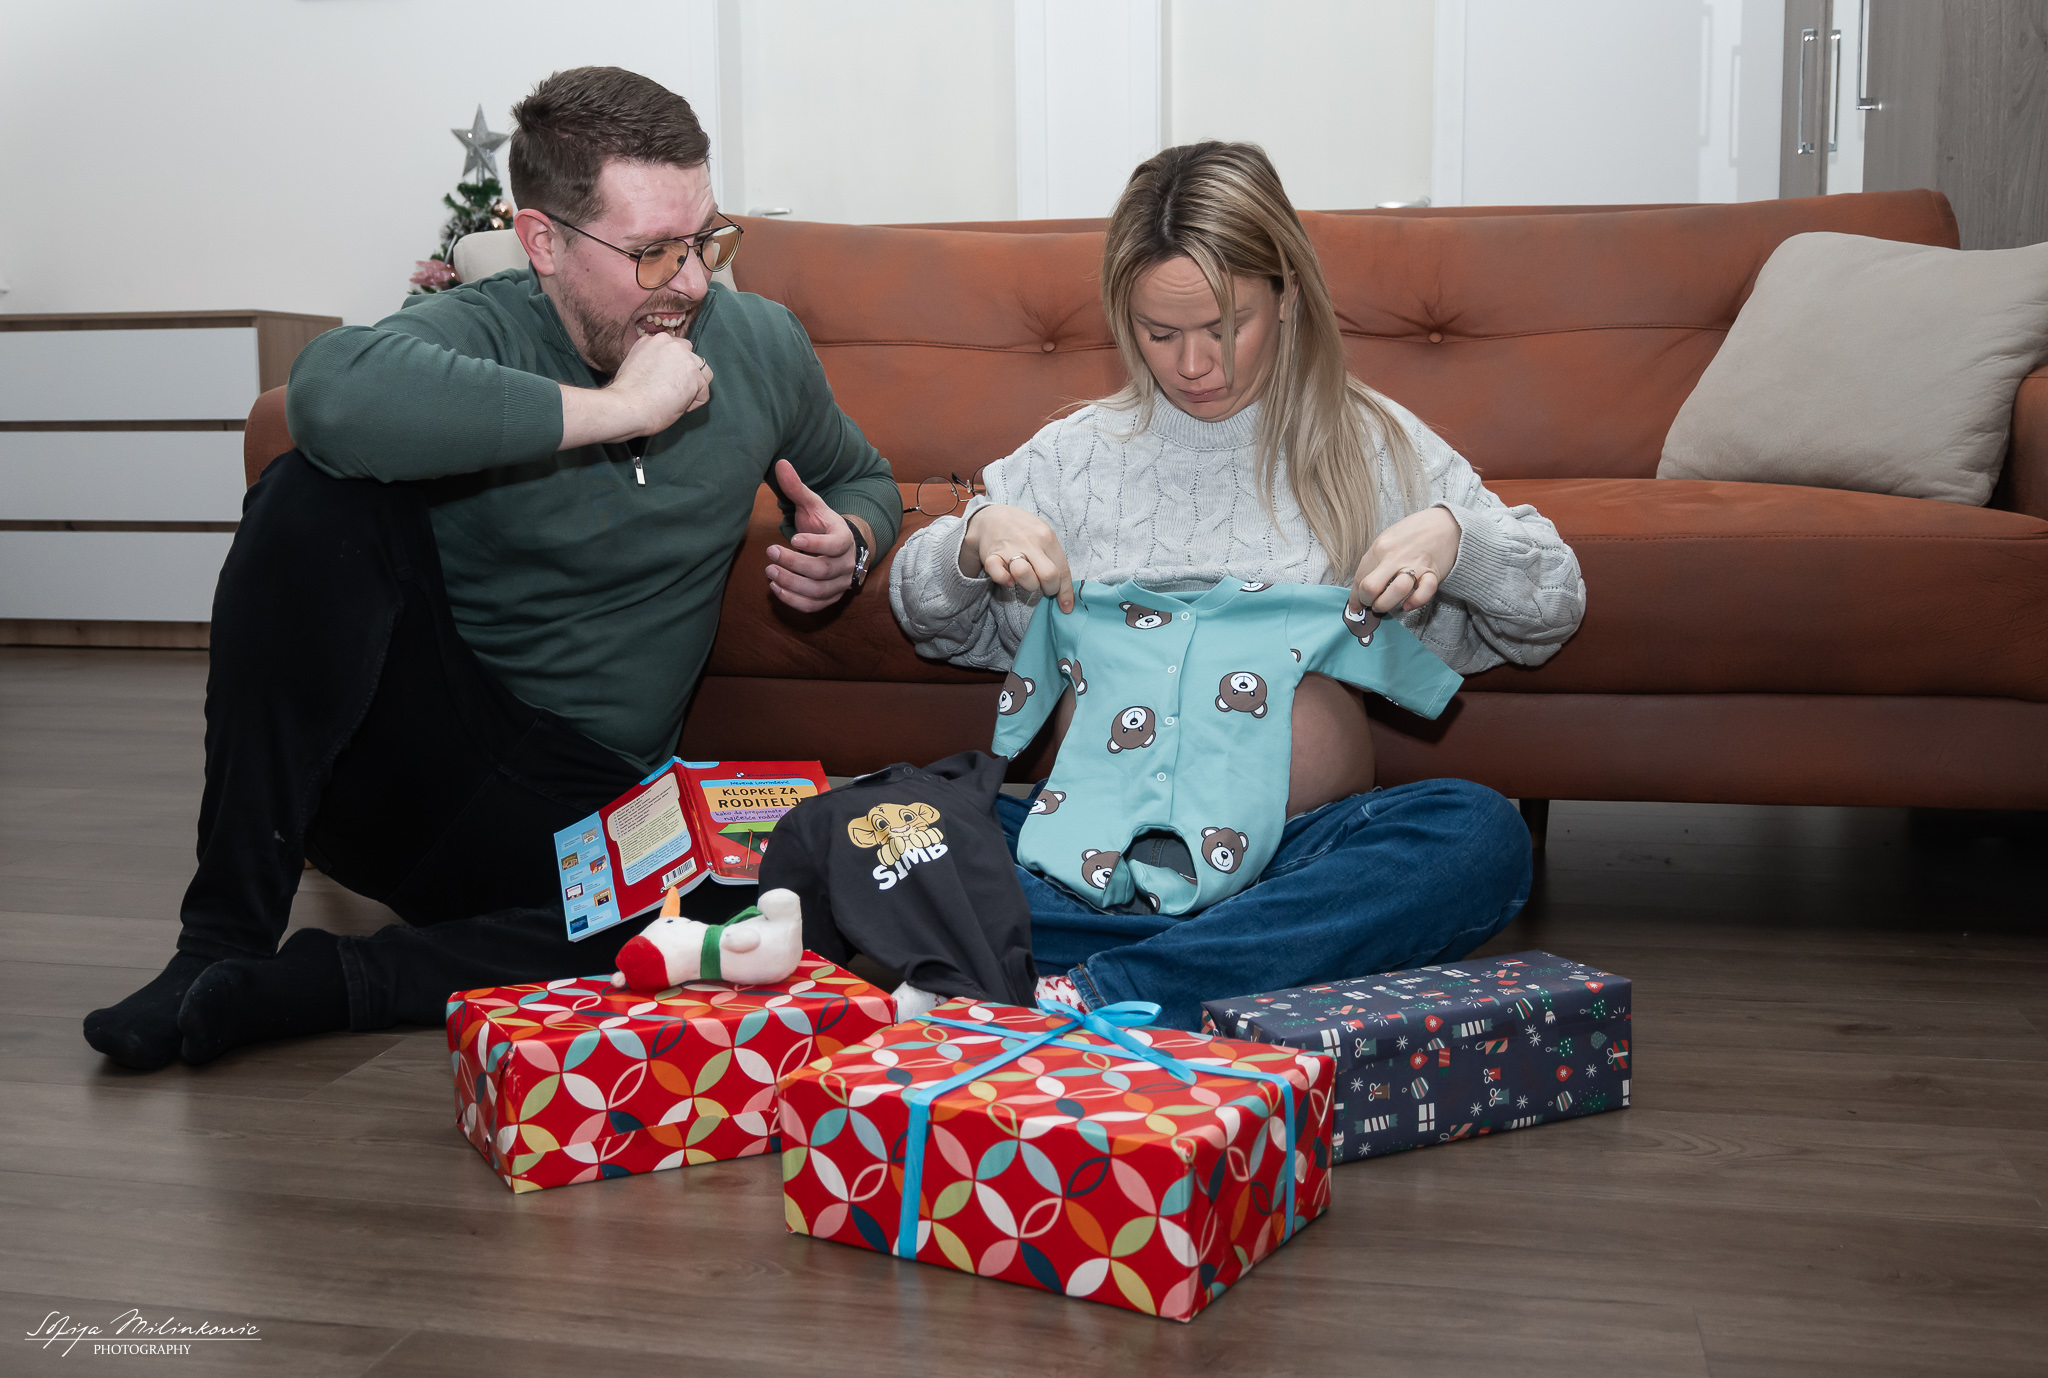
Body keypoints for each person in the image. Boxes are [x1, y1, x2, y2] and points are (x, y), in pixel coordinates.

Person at [84, 67, 900, 1070]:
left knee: (783, 907)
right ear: (543, 242)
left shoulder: (759, 344)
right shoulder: (482, 330)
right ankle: (219, 941)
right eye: (652, 252)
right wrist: (619, 410)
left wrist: (850, 542)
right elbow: (328, 394)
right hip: (408, 763)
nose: (690, 282)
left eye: (705, 240)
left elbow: (862, 476)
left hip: (588, 809)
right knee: (315, 492)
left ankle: (330, 985)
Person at [889, 142, 1586, 1030]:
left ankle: (1086, 984)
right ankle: (1219, 968)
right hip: (1082, 852)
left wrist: (1458, 538)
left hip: (1297, 858)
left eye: (1226, 327)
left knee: (1480, 837)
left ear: (1286, 294)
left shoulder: (1372, 443)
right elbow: (925, 615)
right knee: (891, 821)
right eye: (1160, 333)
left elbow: (1552, 608)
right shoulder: (1071, 456)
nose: (1194, 365)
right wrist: (973, 539)